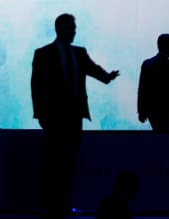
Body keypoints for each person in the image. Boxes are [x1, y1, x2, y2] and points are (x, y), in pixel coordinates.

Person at [31, 13, 120, 219]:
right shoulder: (43, 54)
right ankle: (53, 207)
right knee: (53, 164)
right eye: (70, 27)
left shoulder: (79, 53)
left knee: (70, 163)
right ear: (59, 28)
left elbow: (93, 69)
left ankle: (65, 203)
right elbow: (36, 86)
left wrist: (107, 77)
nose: (74, 31)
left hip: (74, 117)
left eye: (74, 28)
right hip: (53, 118)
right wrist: (41, 114)